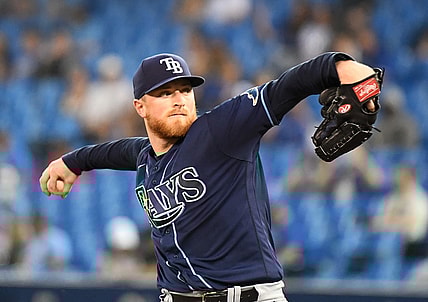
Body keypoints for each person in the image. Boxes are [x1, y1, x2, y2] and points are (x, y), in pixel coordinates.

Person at [40, 52, 378, 301]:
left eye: (185, 90)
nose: (179, 100)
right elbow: (112, 152)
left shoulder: (222, 131)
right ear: (140, 106)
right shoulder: (145, 156)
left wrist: (342, 67)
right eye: (164, 93)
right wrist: (72, 162)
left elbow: (284, 88)